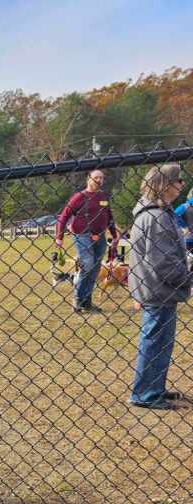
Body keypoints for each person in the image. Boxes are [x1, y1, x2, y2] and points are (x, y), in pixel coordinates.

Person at [127, 163, 191, 410]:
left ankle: (154, 387)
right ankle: (145, 394)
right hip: (158, 289)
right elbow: (163, 261)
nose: (182, 184)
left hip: (155, 287)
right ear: (165, 185)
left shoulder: (156, 212)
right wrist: (186, 279)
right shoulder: (156, 216)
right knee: (155, 341)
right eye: (178, 180)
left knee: (160, 341)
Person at [55, 169, 119, 313]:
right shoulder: (79, 197)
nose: (99, 180)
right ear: (88, 179)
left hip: (100, 236)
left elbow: (109, 217)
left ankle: (86, 301)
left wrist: (114, 235)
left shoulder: (103, 197)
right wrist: (59, 236)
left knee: (95, 269)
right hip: (82, 235)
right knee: (88, 264)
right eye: (96, 177)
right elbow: (64, 216)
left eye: (102, 178)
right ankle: (78, 299)